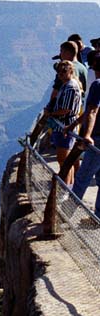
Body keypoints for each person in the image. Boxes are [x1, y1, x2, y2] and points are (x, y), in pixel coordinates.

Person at [69, 51, 100, 214]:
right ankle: (98, 216)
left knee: (83, 177)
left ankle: (65, 214)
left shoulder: (97, 85)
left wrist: (86, 134)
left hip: (98, 137)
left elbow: (92, 111)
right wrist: (74, 123)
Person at [47, 60, 82, 184]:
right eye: (58, 72)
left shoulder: (70, 87)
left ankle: (65, 188)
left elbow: (66, 110)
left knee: (63, 160)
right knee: (66, 161)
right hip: (62, 127)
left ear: (71, 71)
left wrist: (51, 114)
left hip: (65, 127)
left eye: (64, 71)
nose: (60, 74)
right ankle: (69, 186)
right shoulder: (66, 85)